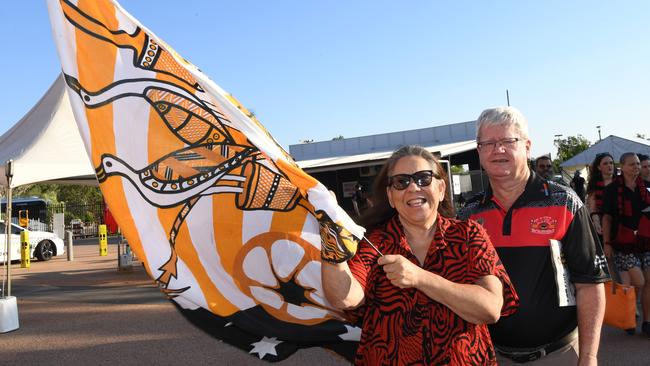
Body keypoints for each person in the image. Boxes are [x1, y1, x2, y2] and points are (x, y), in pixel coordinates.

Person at [321, 145, 519, 365]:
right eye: (401, 182)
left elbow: (490, 309)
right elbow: (346, 298)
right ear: (390, 196)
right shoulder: (374, 242)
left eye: (423, 178)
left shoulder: (469, 235)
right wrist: (332, 241)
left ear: (441, 188)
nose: (413, 187)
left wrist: (420, 278)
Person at [458, 107, 609, 365]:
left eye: (508, 141)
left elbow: (590, 286)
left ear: (527, 146)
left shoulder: (565, 204)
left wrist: (589, 357)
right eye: (489, 143)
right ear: (479, 150)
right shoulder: (468, 215)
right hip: (490, 355)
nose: (498, 149)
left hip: (557, 355)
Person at [601, 152, 650, 338]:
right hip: (622, 243)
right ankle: (628, 314)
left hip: (646, 241)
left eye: (638, 163)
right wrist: (607, 243)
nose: (637, 167)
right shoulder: (612, 190)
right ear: (623, 167)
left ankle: (646, 322)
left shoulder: (646, 187)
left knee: (648, 282)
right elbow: (606, 218)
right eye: (632, 164)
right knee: (639, 282)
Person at [586, 153, 615, 238]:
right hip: (602, 223)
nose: (609, 166)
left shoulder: (621, 182)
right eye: (605, 163)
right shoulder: (594, 184)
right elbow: (593, 207)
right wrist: (596, 222)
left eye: (611, 163)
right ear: (599, 167)